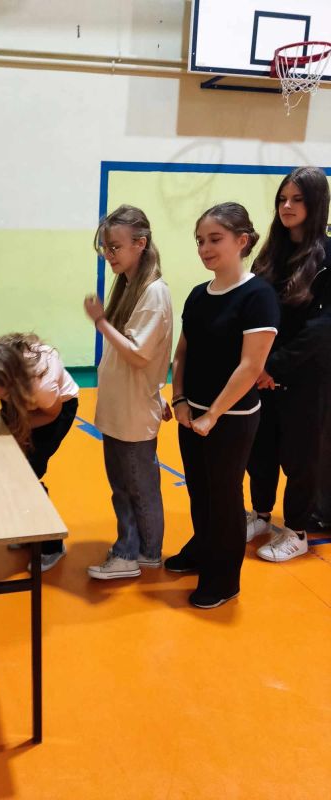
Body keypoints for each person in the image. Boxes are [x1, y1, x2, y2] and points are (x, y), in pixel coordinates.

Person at [165, 203, 279, 608]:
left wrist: (213, 414)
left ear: (241, 241)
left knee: (224, 494)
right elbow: (183, 352)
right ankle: (203, 548)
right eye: (200, 241)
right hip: (192, 413)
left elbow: (251, 366)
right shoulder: (199, 294)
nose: (205, 248)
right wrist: (179, 398)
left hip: (231, 418)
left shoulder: (258, 296)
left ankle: (225, 578)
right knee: (199, 489)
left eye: (215, 239)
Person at [82, 205, 173, 580]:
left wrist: (101, 322)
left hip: (133, 413)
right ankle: (137, 549)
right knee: (123, 487)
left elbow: (138, 353)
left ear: (141, 243)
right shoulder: (127, 287)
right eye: (106, 247)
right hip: (122, 408)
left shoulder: (153, 293)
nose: (109, 254)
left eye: (115, 246)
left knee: (137, 488)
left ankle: (135, 553)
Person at [246, 166, 331, 561]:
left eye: (297, 199)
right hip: (261, 375)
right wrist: (255, 365)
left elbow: (321, 328)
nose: (287, 206)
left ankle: (297, 531)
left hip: (305, 377)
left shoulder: (327, 257)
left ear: (316, 204)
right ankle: (261, 515)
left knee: (300, 457)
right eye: (282, 199)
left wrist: (274, 366)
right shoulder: (270, 254)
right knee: (259, 450)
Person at [0, 333, 79, 571]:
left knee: (28, 476)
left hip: (52, 412)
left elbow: (51, 413)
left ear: (11, 383)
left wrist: (12, 430)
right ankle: (30, 531)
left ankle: (52, 546)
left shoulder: (40, 385)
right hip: (20, 403)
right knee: (12, 472)